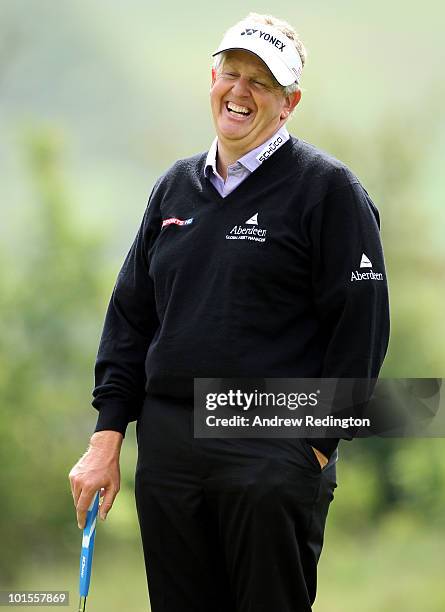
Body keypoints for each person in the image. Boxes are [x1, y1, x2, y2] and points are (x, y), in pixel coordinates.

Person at [69, 12, 390, 612]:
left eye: (260, 83)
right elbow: (131, 318)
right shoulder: (174, 188)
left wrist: (315, 446)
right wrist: (106, 435)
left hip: (272, 448)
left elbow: (363, 327)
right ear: (211, 77)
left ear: (288, 103)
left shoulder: (329, 191)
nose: (239, 92)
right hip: (169, 452)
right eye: (231, 73)